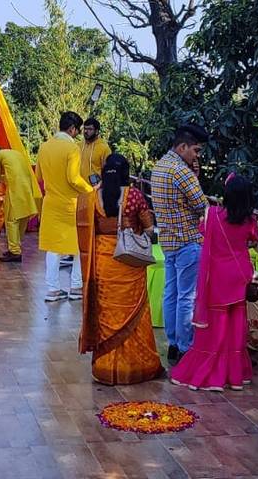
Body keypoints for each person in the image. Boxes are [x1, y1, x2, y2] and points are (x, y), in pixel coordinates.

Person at [170, 174, 258, 391]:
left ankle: (211, 375)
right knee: (235, 327)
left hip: (217, 278)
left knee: (216, 326)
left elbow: (203, 234)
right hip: (240, 277)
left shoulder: (212, 215)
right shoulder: (250, 221)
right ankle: (234, 376)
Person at [77, 154, 163, 385]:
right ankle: (138, 366)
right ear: (126, 173)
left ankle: (104, 367)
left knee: (106, 313)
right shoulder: (134, 196)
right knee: (135, 314)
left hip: (103, 264)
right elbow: (148, 230)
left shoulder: (92, 198)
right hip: (129, 263)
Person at [150, 124, 209, 363]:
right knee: (187, 297)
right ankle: (186, 347)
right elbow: (203, 206)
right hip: (188, 242)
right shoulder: (182, 173)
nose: (196, 156)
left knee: (170, 293)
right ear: (182, 146)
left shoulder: (160, 166)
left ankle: (173, 343)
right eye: (195, 150)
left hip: (168, 241)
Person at [37, 112, 93, 302]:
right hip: (71, 204)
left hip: (51, 203)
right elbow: (73, 179)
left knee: (53, 247)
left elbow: (39, 177)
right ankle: (76, 287)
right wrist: (90, 189)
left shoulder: (44, 147)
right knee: (77, 245)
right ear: (72, 129)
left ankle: (52, 289)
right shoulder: (72, 148)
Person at [0, 145, 42, 263]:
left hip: (15, 190)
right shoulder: (16, 153)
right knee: (23, 217)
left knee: (11, 221)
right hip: (27, 188)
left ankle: (15, 251)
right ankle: (15, 246)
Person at [79, 117, 111, 185]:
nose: (86, 131)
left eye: (90, 129)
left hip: (95, 190)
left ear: (96, 131)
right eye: (85, 129)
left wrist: (99, 186)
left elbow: (108, 172)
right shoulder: (79, 145)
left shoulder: (104, 148)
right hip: (79, 188)